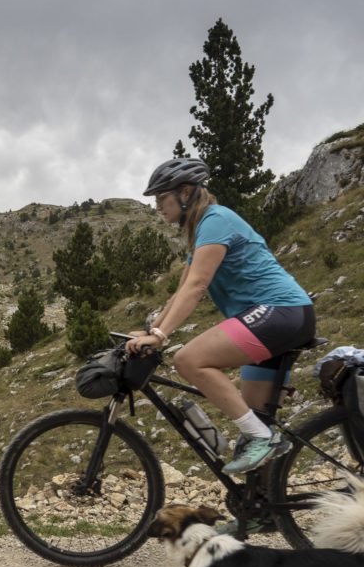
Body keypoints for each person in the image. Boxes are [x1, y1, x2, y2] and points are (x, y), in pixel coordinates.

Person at [125, 157, 315, 474]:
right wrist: (150, 330)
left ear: (185, 193)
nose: (157, 206)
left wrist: (160, 338)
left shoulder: (216, 220)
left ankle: (264, 439)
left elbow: (198, 285)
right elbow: (181, 290)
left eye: (162, 198)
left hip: (283, 311)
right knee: (253, 424)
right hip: (274, 317)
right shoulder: (200, 232)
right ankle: (258, 513)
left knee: (188, 360)